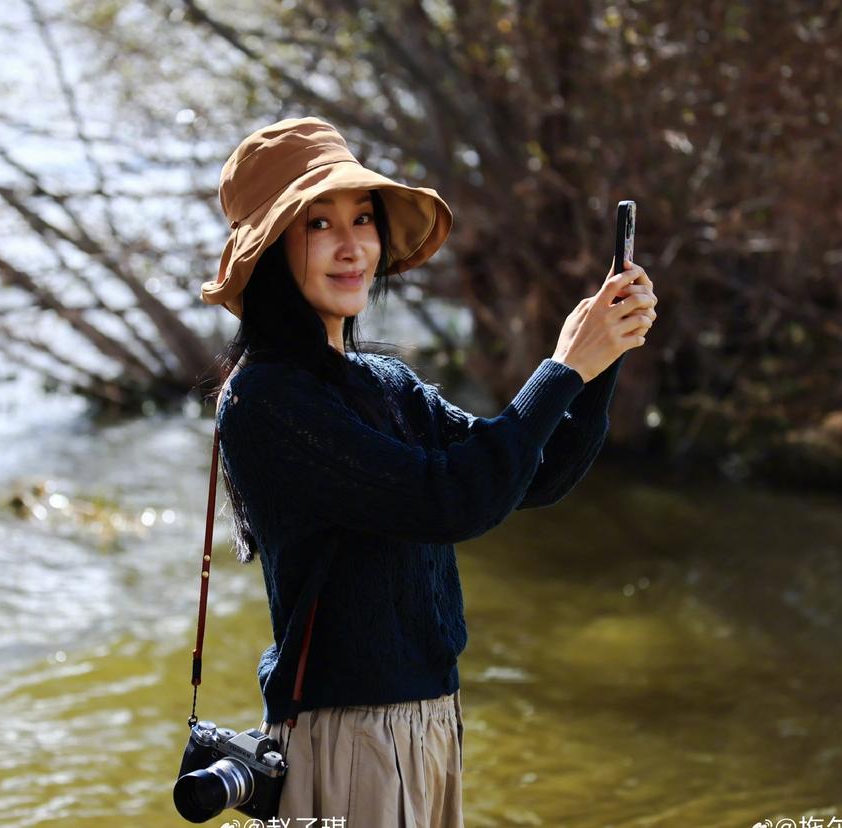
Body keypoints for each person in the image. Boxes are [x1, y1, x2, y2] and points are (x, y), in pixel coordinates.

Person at [198, 117, 657, 826]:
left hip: (430, 719)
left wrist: (600, 362)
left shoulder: (384, 381)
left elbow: (531, 475)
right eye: (319, 224)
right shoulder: (268, 400)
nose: (353, 247)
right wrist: (562, 366)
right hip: (349, 737)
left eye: (363, 219)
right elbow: (452, 501)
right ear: (270, 250)